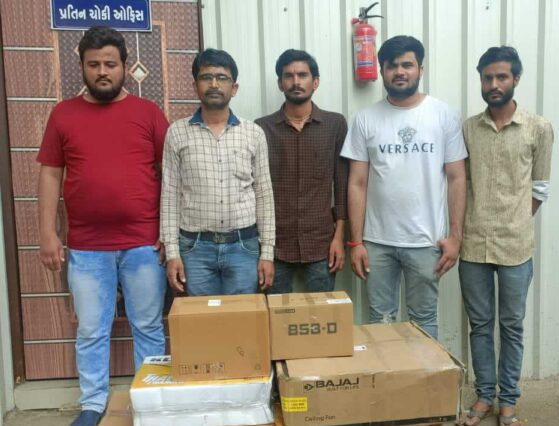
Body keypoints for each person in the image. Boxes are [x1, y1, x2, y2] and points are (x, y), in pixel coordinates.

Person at [37, 26, 169, 426]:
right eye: (93, 64)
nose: (102, 72)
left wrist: (169, 230)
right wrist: (47, 232)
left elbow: (171, 174)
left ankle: (149, 401)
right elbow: (50, 174)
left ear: (125, 66)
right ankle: (92, 404)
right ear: (82, 66)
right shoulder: (64, 115)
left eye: (110, 64)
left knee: (148, 325)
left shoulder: (148, 114)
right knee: (92, 329)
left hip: (144, 243)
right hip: (87, 247)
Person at [455, 46, 553, 426]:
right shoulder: (468, 129)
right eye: (487, 77)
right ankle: (484, 396)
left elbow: (540, 188)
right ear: (480, 80)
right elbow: (459, 183)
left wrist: (515, 220)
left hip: (516, 246)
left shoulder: (537, 128)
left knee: (511, 326)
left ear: (516, 79)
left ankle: (508, 401)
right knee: (480, 325)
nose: (494, 84)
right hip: (473, 245)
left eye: (501, 77)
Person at [341, 35, 467, 338]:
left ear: (420, 69)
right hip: (377, 242)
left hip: (426, 241)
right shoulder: (365, 119)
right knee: (380, 319)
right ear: (382, 71)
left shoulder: (444, 115)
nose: (400, 71)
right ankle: (387, 372)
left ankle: (426, 372)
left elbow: (457, 178)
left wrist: (455, 237)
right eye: (392, 65)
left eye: (407, 65)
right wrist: (356, 243)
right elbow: (357, 183)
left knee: (424, 321)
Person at [160, 49, 275, 296]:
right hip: (195, 248)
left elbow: (264, 194)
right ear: (195, 86)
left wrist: (267, 252)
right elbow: (170, 195)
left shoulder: (253, 133)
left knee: (242, 315)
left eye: (222, 78)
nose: (214, 84)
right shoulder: (177, 133)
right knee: (202, 317)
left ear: (234, 88)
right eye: (206, 77)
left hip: (243, 247)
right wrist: (172, 253)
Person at [256, 49, 349, 293]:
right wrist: (263, 248)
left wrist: (339, 238)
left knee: (321, 313)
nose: (296, 82)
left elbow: (341, 185)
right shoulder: (261, 128)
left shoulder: (334, 125)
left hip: (321, 243)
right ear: (280, 83)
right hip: (275, 245)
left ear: (315, 82)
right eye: (288, 76)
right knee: (275, 313)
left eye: (303, 75)